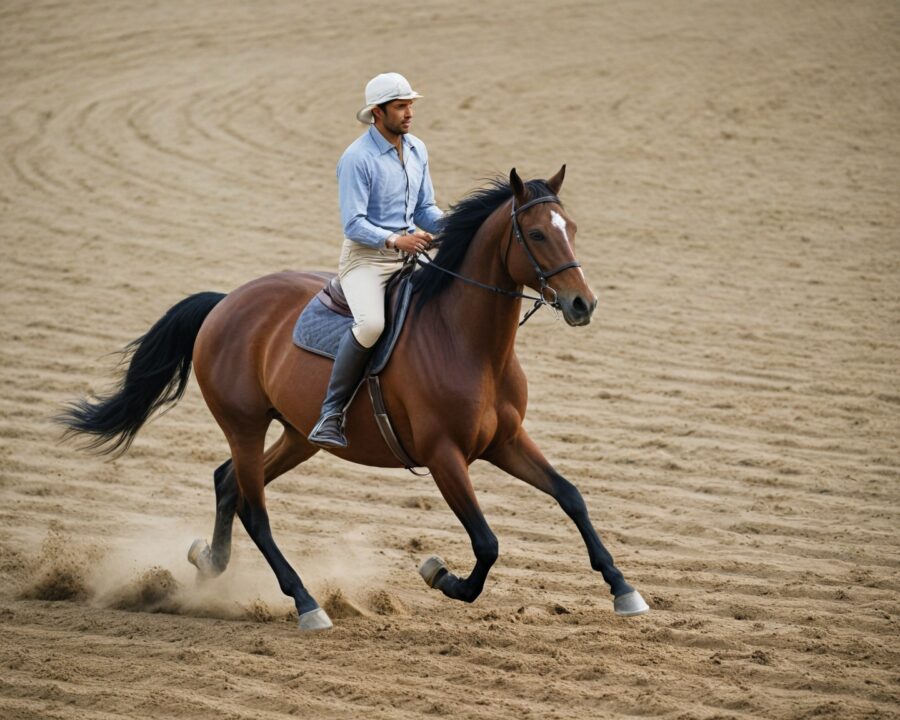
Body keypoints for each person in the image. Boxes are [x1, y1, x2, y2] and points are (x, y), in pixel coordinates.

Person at [308, 72, 443, 448]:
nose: (409, 113)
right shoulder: (357, 159)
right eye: (401, 106)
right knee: (370, 325)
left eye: (410, 105)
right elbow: (353, 223)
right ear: (378, 112)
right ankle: (331, 413)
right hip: (366, 260)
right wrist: (397, 239)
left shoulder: (417, 149)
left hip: (409, 253)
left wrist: (458, 228)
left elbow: (425, 208)